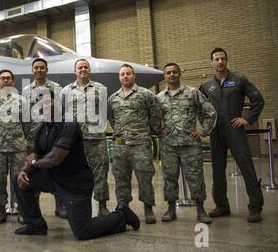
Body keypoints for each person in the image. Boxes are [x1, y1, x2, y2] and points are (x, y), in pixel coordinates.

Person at [13, 91, 140, 240]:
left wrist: (33, 163)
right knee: (18, 178)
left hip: (74, 183)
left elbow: (54, 159)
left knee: (83, 231)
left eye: (48, 102)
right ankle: (35, 225)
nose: (44, 106)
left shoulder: (68, 123)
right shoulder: (44, 127)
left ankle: (121, 215)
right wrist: (24, 171)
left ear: (58, 103)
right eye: (40, 104)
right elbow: (36, 154)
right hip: (54, 178)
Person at [199, 48, 264, 223]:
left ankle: (255, 207)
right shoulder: (206, 85)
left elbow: (258, 99)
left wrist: (248, 119)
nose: (220, 62)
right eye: (216, 59)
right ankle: (221, 205)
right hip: (216, 132)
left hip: (235, 129)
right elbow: (199, 107)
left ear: (227, 60)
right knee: (218, 170)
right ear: (211, 62)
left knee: (246, 167)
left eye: (222, 58)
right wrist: (207, 124)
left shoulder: (239, 80)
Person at [156, 63, 216, 224]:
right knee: (169, 178)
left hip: (190, 144)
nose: (172, 74)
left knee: (196, 177)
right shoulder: (159, 98)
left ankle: (201, 209)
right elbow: (153, 118)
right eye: (168, 72)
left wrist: (203, 131)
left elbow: (210, 111)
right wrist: (158, 130)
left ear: (179, 74)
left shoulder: (192, 93)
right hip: (169, 145)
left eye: (174, 72)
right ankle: (170, 209)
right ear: (164, 76)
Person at [107, 64, 162, 224]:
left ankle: (148, 208)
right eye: (122, 74)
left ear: (134, 76)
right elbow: (112, 119)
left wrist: (148, 132)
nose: (125, 76)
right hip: (120, 145)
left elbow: (155, 115)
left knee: (145, 177)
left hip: (140, 145)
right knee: (121, 179)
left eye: (128, 74)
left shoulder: (146, 95)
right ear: (119, 77)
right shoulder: (113, 98)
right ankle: (123, 208)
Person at [61, 59, 110, 216]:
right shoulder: (66, 91)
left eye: (85, 67)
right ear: (75, 71)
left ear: (89, 70)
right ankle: (79, 205)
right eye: (79, 67)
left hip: (96, 139)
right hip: (76, 142)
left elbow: (105, 112)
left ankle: (102, 204)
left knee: (100, 172)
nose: (83, 69)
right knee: (76, 174)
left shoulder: (100, 89)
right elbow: (62, 115)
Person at [0, 69, 30, 226]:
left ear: (13, 82)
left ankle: (22, 211)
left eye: (9, 78)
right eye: (3, 78)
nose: (6, 81)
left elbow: (28, 125)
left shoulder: (22, 101)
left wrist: (22, 139)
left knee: (20, 180)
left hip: (18, 148)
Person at [22, 58, 67, 219]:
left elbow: (61, 111)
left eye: (42, 68)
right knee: (33, 172)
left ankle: (60, 205)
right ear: (32, 70)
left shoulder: (56, 88)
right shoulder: (26, 90)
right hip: (33, 138)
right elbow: (24, 115)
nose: (39, 70)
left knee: (56, 170)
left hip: (52, 136)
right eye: (36, 68)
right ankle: (34, 208)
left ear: (46, 70)